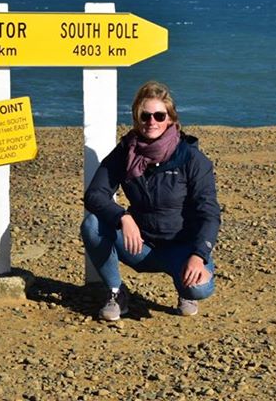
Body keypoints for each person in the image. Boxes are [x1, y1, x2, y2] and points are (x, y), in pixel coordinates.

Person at [81, 81, 220, 320]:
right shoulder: (126, 152)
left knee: (199, 288)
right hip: (139, 245)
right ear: (137, 118)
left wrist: (199, 256)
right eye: (145, 116)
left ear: (171, 119)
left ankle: (185, 289)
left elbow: (209, 213)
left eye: (159, 115)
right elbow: (94, 194)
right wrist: (123, 217)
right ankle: (116, 292)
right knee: (92, 224)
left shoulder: (192, 159)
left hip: (181, 247)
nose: (151, 122)